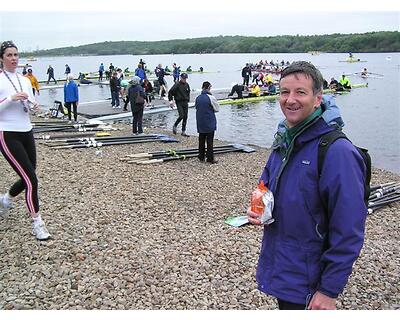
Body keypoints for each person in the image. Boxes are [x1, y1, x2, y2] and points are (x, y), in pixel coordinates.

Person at [247, 61, 367, 310]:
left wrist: (328, 290)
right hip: (282, 266)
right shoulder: (285, 140)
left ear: (317, 98)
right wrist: (259, 209)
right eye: (284, 92)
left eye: (300, 92)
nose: (290, 100)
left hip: (311, 279)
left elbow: (349, 230)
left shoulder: (337, 152)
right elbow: (267, 186)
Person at [0, 40, 51, 240]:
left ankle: (6, 199)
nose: (13, 59)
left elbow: (28, 106)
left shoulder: (26, 80)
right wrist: (10, 99)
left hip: (26, 131)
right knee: (31, 180)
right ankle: (38, 223)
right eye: (9, 55)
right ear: (2, 58)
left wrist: (33, 105)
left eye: (15, 55)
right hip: (7, 133)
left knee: (29, 175)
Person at [195, 81, 220, 164]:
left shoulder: (197, 98)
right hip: (209, 121)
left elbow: (196, 107)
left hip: (200, 121)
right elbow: (217, 109)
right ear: (209, 88)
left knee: (201, 139)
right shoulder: (211, 97)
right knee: (209, 140)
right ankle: (210, 158)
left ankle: (201, 156)